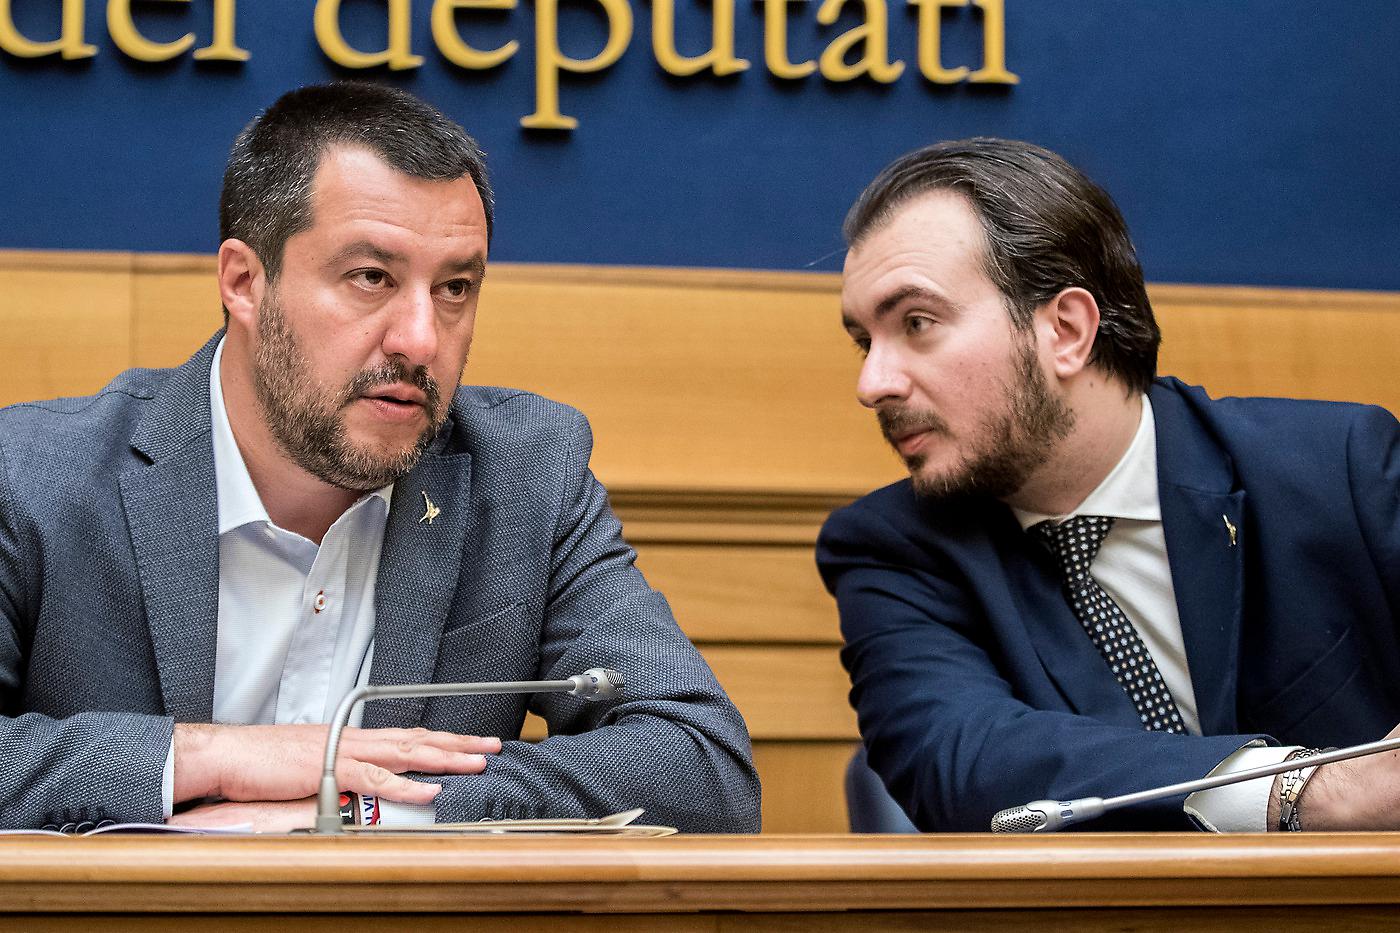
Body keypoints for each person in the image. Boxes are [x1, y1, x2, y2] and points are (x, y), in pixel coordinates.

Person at [0, 82, 759, 833]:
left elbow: (704, 767)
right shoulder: (33, 476)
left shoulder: (527, 475)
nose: (421, 340)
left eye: (454, 287)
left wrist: (367, 804)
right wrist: (201, 757)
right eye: (371, 278)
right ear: (244, 282)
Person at [818, 137, 1400, 833]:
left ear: (1066, 330)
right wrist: (1310, 789)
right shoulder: (891, 547)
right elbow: (962, 760)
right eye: (866, 341)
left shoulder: (1340, 470)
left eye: (917, 323)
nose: (872, 383)